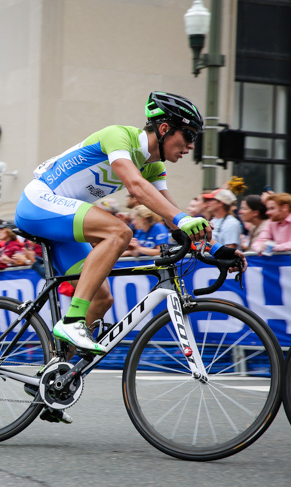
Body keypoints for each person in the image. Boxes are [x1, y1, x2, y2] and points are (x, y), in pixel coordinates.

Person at [14, 91, 246, 358]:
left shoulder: (153, 165)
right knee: (118, 232)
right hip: (38, 203)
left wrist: (217, 250)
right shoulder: (119, 136)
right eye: (189, 136)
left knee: (101, 298)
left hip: (62, 221)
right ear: (164, 128)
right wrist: (183, 220)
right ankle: (71, 323)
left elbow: (171, 214)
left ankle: (55, 372)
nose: (191, 146)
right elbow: (136, 187)